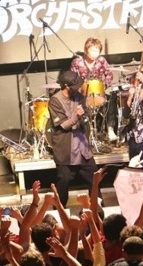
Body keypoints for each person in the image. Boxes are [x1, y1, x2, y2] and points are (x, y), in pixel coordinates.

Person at [49, 70, 98, 207]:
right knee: (63, 183)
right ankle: (59, 212)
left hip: (82, 148)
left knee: (94, 179)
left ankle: (98, 209)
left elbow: (86, 116)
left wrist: (85, 117)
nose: (77, 89)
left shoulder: (79, 97)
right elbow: (64, 125)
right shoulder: (55, 101)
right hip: (66, 150)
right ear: (66, 86)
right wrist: (77, 117)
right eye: (74, 87)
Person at [70, 37, 116, 141]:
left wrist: (104, 85)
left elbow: (109, 74)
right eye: (92, 50)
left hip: (99, 92)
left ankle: (110, 128)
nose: (95, 54)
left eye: (97, 51)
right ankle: (84, 132)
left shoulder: (101, 60)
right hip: (82, 93)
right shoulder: (77, 62)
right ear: (86, 50)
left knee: (112, 96)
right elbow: (72, 78)